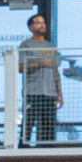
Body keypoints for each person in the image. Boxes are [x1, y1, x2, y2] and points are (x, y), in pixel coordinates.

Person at [20, 13, 62, 146]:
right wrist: (39, 63)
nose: (42, 25)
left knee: (48, 125)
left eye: (43, 22)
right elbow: (21, 68)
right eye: (38, 23)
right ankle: (23, 151)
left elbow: (56, 71)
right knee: (28, 124)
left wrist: (59, 93)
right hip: (33, 91)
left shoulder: (52, 46)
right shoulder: (26, 45)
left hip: (50, 92)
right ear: (31, 27)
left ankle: (47, 152)